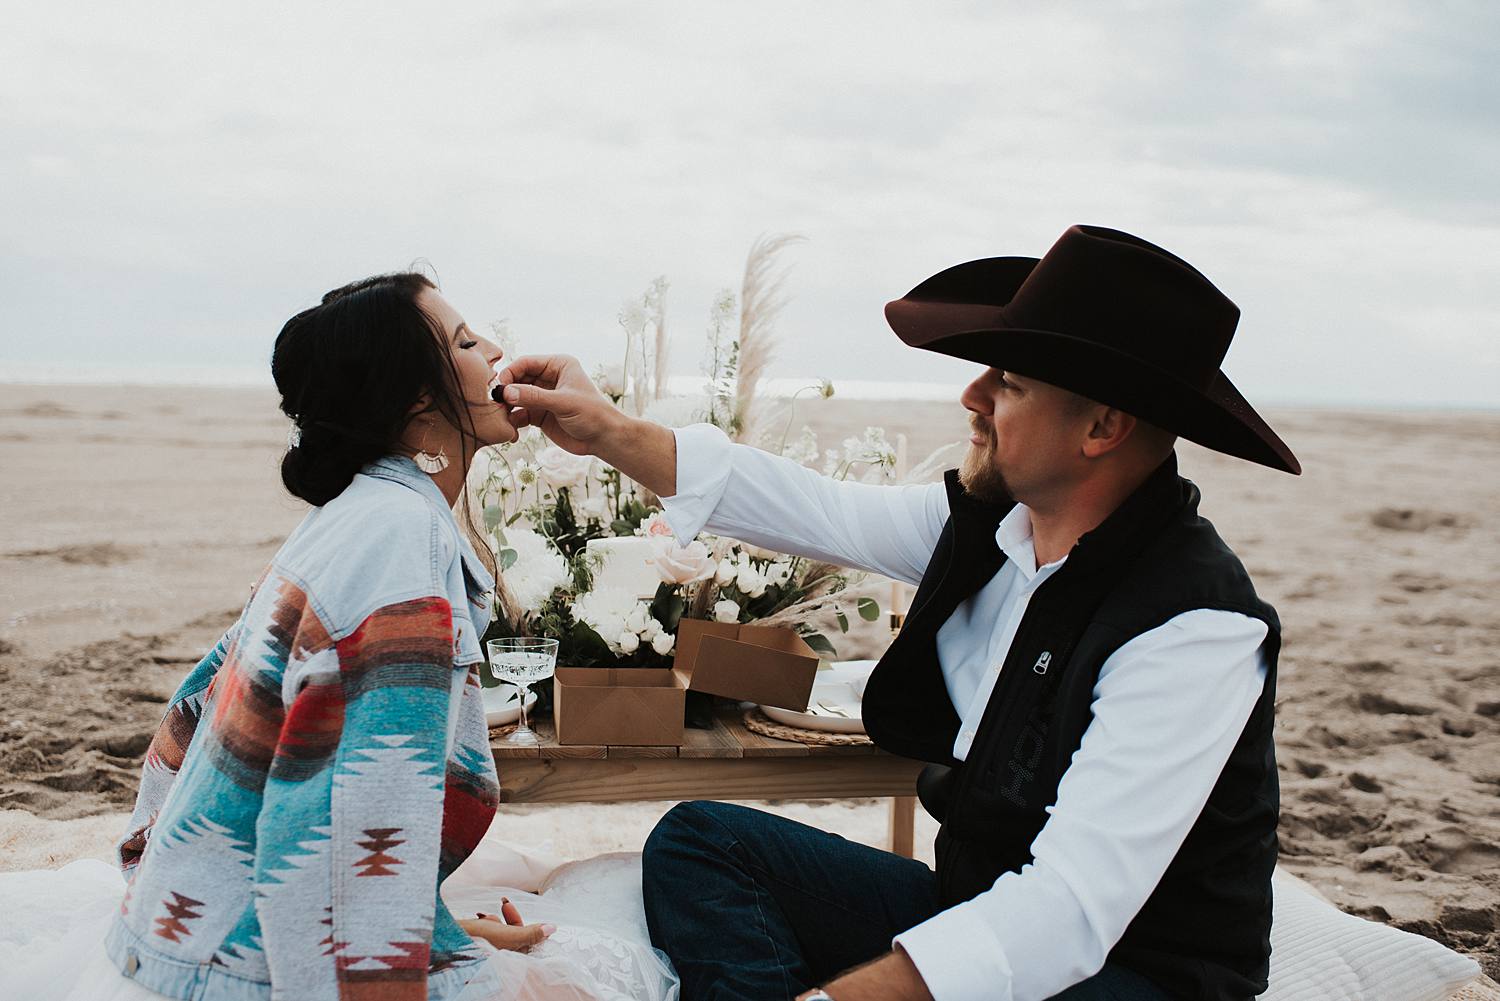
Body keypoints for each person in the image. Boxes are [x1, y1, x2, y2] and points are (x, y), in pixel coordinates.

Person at [496, 225, 1301, 1001]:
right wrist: (604, 429)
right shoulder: (994, 530)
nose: (972, 394)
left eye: (1010, 383)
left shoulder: (1194, 626)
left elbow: (1067, 912)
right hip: (974, 906)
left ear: (1103, 427)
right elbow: (813, 507)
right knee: (704, 841)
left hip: (1129, 976)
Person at [97, 273, 545, 1000]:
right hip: (242, 967)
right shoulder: (400, 542)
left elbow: (200, 706)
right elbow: (353, 810)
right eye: (466, 341)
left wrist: (438, 931)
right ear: (417, 399)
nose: (495, 349)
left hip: (187, 926)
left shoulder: (363, 511)